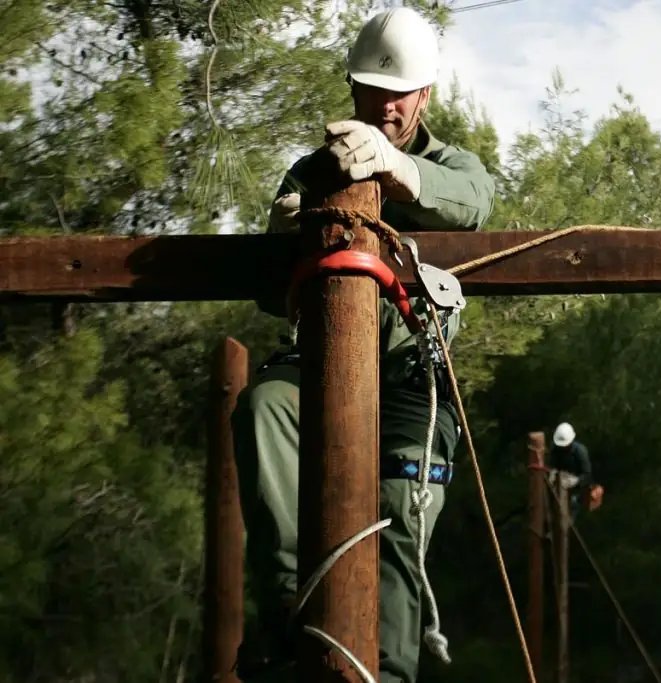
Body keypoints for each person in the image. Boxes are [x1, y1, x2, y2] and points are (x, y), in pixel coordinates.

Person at [230, 7, 495, 683]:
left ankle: (392, 671)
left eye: (399, 92)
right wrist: (289, 233)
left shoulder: (448, 167)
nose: (385, 105)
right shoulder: (313, 172)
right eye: (373, 91)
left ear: (425, 95)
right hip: (318, 368)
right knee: (265, 409)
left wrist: (400, 174)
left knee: (399, 519)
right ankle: (292, 613)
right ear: (352, 91)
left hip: (412, 381)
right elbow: (268, 290)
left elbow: (475, 202)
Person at [547, 422, 593, 521]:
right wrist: (552, 474)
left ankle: (565, 529)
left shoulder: (580, 451)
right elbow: (552, 466)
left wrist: (576, 481)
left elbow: (587, 475)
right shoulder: (555, 450)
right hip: (558, 487)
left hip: (575, 492)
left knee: (571, 506)